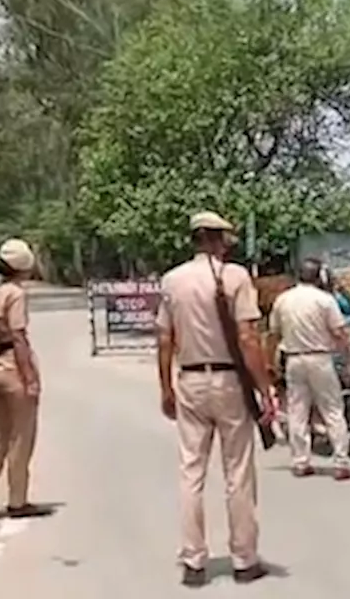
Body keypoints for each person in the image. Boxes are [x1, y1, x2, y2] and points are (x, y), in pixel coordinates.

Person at [155, 211, 276, 588]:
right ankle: (244, 559)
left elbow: (164, 339)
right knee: (237, 473)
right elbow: (248, 338)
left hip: (190, 378)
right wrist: (264, 389)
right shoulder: (236, 276)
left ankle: (193, 561)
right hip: (229, 381)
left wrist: (165, 388)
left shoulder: (172, 280)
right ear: (218, 239)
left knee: (191, 472)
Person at [0, 238, 54, 521]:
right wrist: (30, 378)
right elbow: (18, 336)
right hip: (12, 367)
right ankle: (18, 501)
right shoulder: (15, 295)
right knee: (21, 437)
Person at [271, 258, 350, 481]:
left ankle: (301, 461)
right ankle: (341, 462)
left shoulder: (283, 300)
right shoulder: (325, 300)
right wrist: (349, 358)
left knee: (297, 411)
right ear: (319, 277)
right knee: (332, 410)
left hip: (294, 359)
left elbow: (274, 332)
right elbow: (340, 333)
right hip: (320, 359)